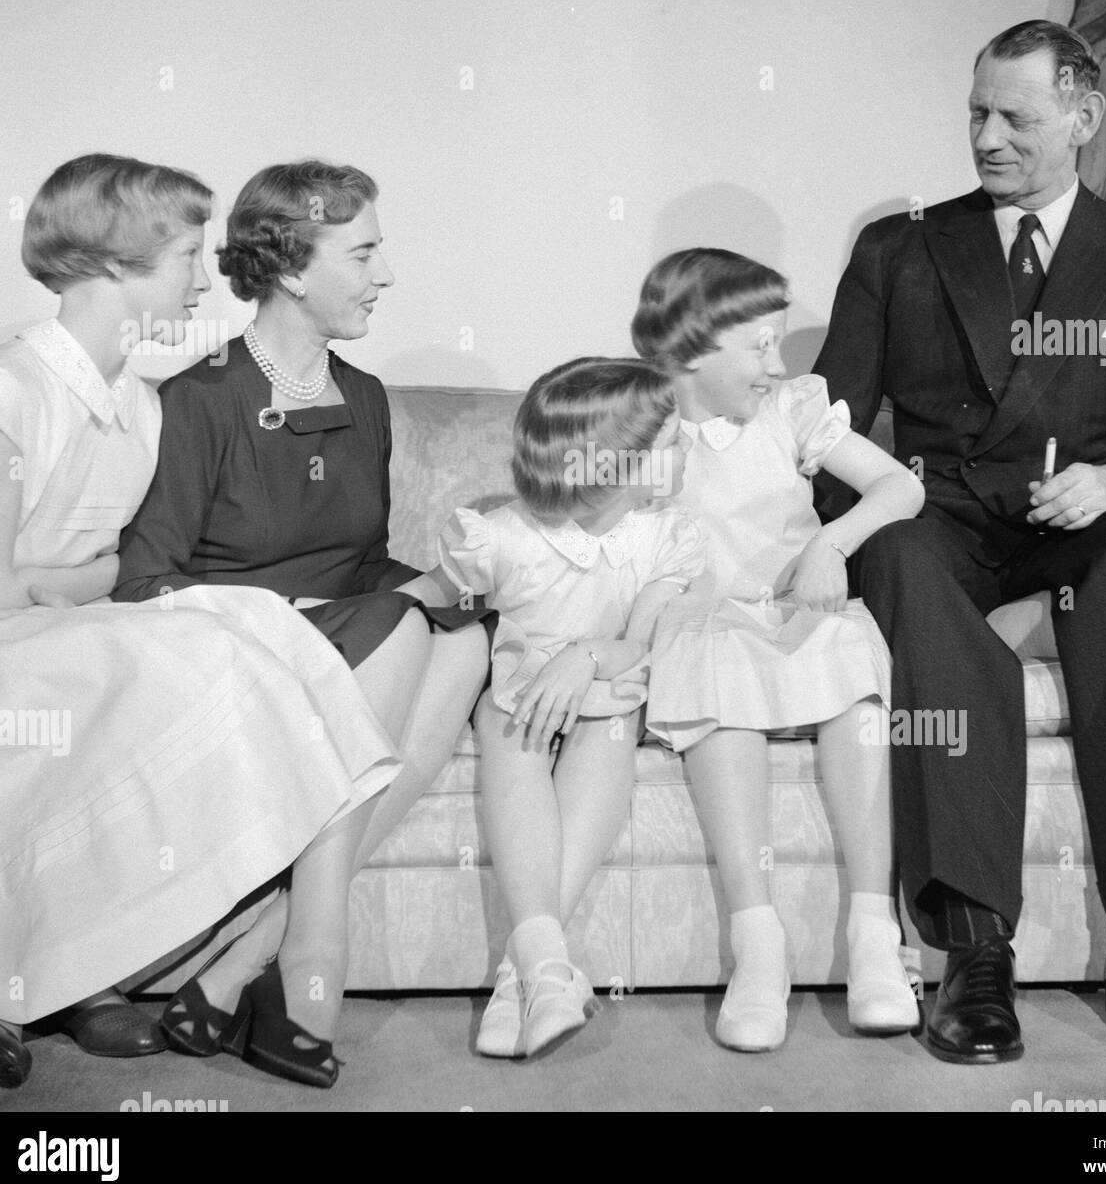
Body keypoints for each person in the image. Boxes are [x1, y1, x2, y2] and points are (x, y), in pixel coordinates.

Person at [813, 19, 1106, 1064]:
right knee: (898, 554)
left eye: (1015, 116)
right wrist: (842, 528)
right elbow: (826, 432)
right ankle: (972, 946)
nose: (986, 137)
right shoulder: (899, 248)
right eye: (974, 113)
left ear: (1083, 119)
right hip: (939, 517)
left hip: (1075, 521)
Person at [0, 154, 404, 1090]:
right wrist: (73, 589)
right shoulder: (4, 389)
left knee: (201, 654)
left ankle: (68, 969)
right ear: (109, 265)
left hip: (55, 632)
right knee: (171, 659)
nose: (206, 277)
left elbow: (117, 567)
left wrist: (74, 588)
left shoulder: (136, 401)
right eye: (183, 256)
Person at [113, 159, 491, 1081]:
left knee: (468, 636)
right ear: (289, 267)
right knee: (403, 629)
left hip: (352, 640)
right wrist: (314, 610)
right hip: (232, 651)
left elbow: (364, 567)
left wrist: (464, 583)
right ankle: (312, 951)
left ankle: (248, 955)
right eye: (361, 253)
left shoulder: (362, 399)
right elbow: (145, 586)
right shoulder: (200, 398)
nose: (385, 275)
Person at [634, 248, 926, 1051]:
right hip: (708, 620)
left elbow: (903, 487)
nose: (775, 362)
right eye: (757, 346)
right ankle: (757, 944)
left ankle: (873, 933)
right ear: (691, 345)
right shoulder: (643, 427)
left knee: (850, 663)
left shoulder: (791, 408)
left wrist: (834, 543)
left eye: (776, 344)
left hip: (797, 610)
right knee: (712, 665)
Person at [430, 357, 704, 1057]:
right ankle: (545, 963)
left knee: (610, 716)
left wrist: (583, 657)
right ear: (616, 463)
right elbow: (426, 600)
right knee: (504, 716)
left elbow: (636, 645)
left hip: (605, 686)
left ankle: (520, 977)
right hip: (519, 696)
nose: (684, 451)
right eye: (669, 443)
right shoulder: (504, 536)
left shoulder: (665, 534)